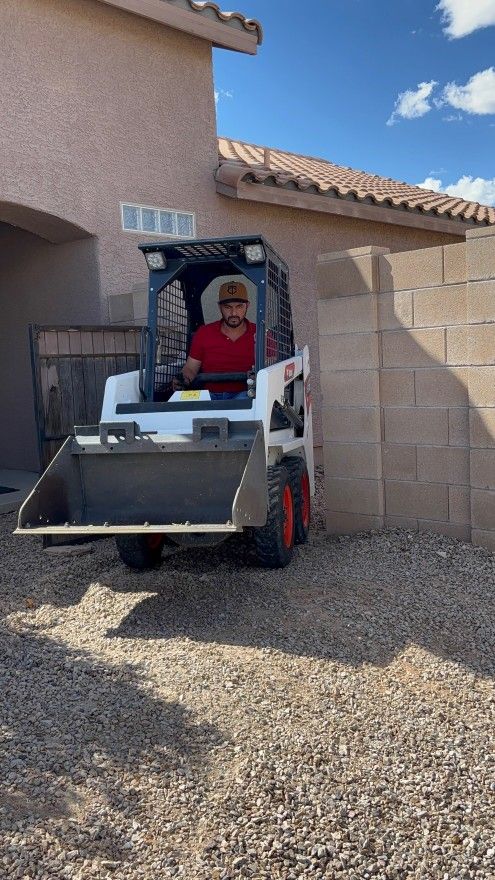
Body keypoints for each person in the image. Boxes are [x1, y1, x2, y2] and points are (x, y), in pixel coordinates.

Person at [173, 280, 255, 400]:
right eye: (227, 307)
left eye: (239, 306)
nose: (233, 313)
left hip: (245, 395)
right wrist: (182, 379)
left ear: (247, 305)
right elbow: (190, 368)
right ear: (220, 307)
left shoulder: (260, 334)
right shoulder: (204, 333)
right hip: (209, 396)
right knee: (184, 405)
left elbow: (270, 368)